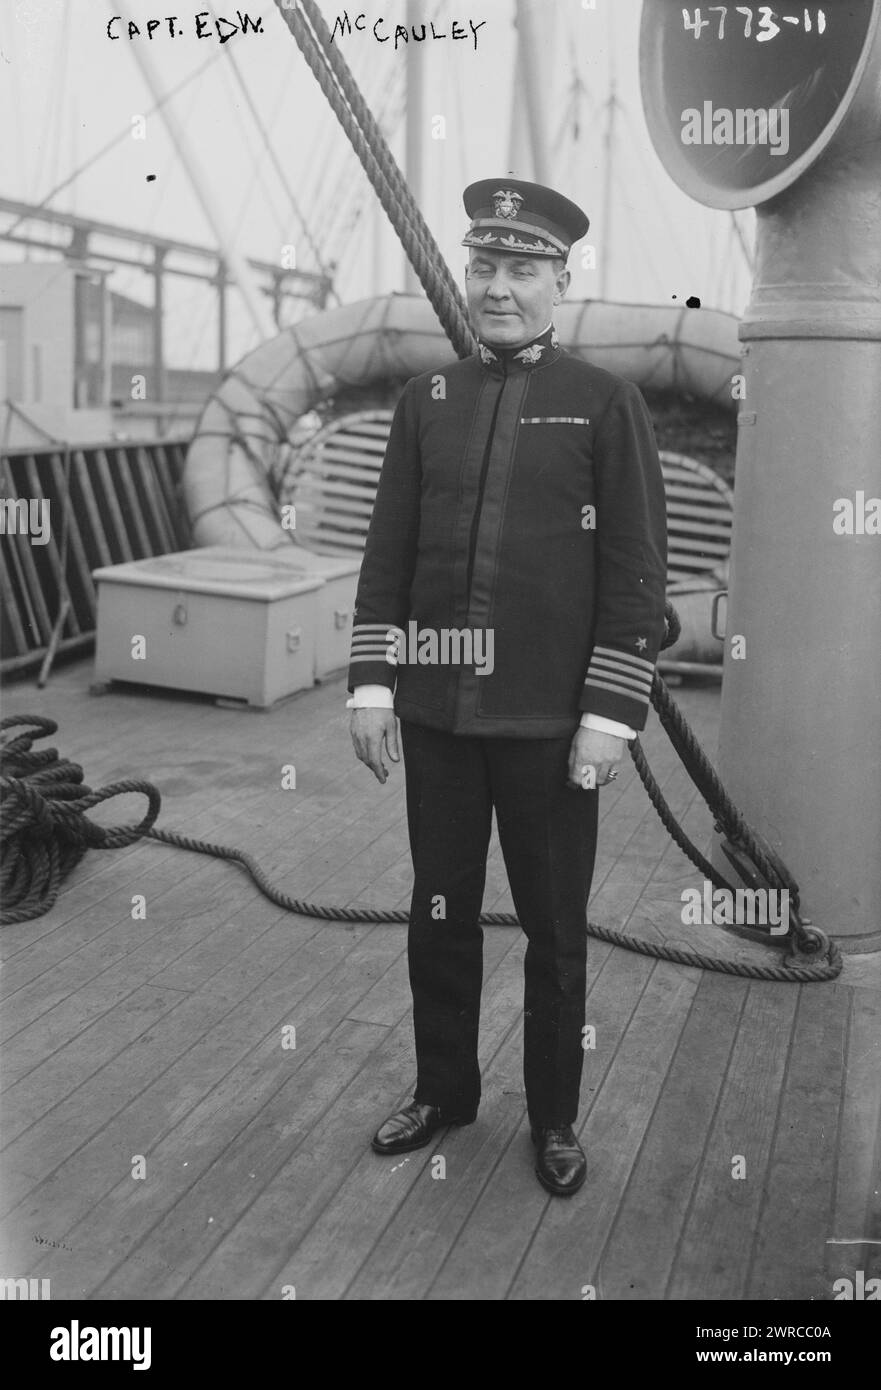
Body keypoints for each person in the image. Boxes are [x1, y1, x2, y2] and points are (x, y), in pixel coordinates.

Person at [347, 177, 667, 1196]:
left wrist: (608, 716)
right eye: (483, 266)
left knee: (554, 931)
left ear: (558, 281)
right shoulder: (423, 401)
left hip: (548, 725)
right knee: (437, 911)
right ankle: (444, 1090)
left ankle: (556, 1117)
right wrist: (370, 684)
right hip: (438, 716)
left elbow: (632, 577)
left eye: (520, 269)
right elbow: (385, 554)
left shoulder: (603, 404)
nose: (496, 287)